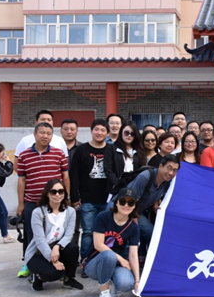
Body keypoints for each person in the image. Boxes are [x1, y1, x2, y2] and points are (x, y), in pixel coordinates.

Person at [16, 123, 70, 278]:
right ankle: (29, 263)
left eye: (49, 133)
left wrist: (67, 197)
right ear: (34, 134)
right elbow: (21, 180)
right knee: (31, 235)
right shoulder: (24, 155)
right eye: (42, 133)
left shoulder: (59, 153)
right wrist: (21, 203)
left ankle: (54, 262)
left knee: (55, 234)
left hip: (54, 203)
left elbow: (65, 177)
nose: (45, 136)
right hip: (32, 202)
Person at [113, 155, 180, 260]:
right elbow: (130, 202)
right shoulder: (145, 177)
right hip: (120, 208)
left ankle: (152, 262)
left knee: (151, 233)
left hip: (136, 211)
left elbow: (155, 193)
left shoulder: (167, 182)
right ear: (161, 166)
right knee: (124, 236)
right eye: (169, 168)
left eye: (175, 170)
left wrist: (155, 205)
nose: (171, 173)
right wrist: (135, 225)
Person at [84, 188, 141, 297]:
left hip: (115, 265)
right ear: (116, 203)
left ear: (134, 206)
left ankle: (114, 284)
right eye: (122, 201)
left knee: (126, 284)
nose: (126, 205)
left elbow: (133, 255)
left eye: (130, 202)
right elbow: (98, 245)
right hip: (95, 263)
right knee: (109, 255)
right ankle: (104, 293)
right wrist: (121, 259)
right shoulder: (103, 217)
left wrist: (137, 280)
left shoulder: (133, 227)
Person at [25, 179, 83, 291]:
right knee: (55, 274)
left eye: (61, 191)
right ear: (47, 194)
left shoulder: (70, 211)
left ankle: (69, 279)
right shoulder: (38, 212)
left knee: (73, 248)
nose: (57, 195)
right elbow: (40, 240)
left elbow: (69, 235)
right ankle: (38, 277)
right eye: (53, 192)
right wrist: (54, 261)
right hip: (38, 252)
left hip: (57, 248)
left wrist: (57, 247)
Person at [70, 119, 110, 265]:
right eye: (96, 129)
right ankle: (86, 261)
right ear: (91, 131)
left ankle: (101, 260)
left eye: (103, 130)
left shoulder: (111, 150)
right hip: (87, 199)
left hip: (107, 199)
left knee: (105, 232)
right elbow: (74, 174)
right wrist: (75, 197)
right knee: (87, 232)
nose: (99, 132)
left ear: (107, 133)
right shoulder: (82, 150)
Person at [104, 122, 145, 196]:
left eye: (132, 134)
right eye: (126, 133)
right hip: (116, 190)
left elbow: (141, 170)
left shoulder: (139, 151)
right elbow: (108, 169)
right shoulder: (111, 148)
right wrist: (118, 184)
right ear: (121, 133)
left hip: (134, 189)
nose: (129, 136)